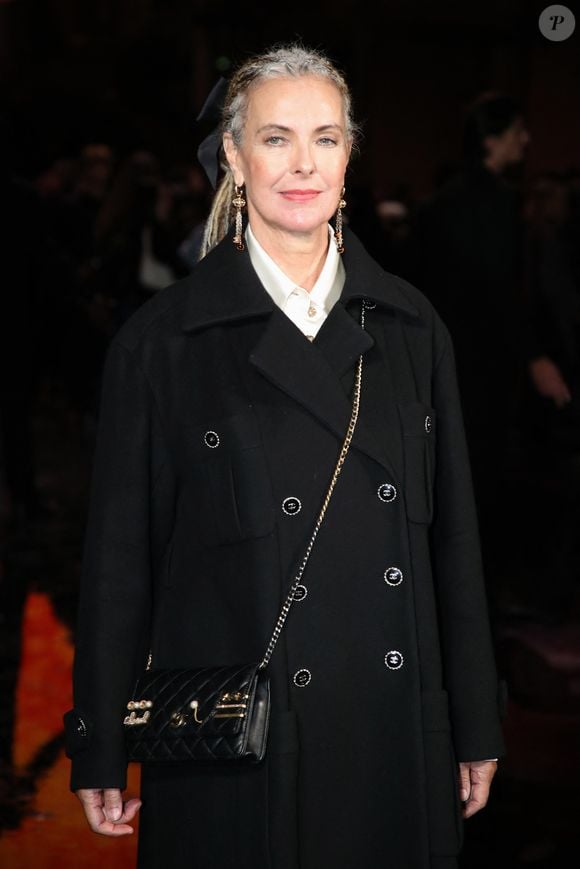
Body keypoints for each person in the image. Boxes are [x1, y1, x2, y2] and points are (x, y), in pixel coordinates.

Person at [64, 45, 504, 869]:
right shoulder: (162, 343)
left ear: (349, 154)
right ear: (232, 154)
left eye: (326, 138)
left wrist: (474, 720)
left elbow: (456, 544)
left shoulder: (412, 327)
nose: (303, 164)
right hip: (242, 746)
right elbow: (120, 563)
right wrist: (99, 739)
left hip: (393, 732)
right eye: (275, 138)